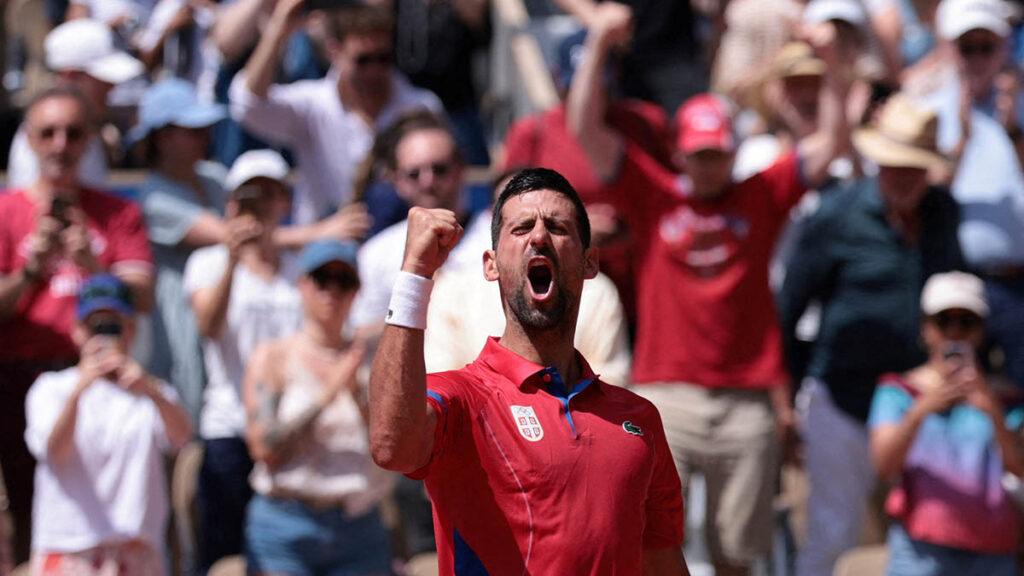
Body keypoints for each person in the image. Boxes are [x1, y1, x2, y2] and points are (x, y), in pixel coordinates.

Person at [567, 5, 850, 575]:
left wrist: (832, 65)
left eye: (717, 153)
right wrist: (598, 44)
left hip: (746, 399)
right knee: (650, 538)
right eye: (698, 155)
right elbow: (583, 130)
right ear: (681, 152)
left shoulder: (760, 195)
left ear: (731, 150)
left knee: (737, 553)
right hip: (667, 393)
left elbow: (832, 142)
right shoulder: (655, 195)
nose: (708, 166)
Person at [369, 168, 688, 574]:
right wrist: (414, 274)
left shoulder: (639, 419)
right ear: (491, 265)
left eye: (557, 227)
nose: (539, 237)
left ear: (590, 262)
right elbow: (390, 445)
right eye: (521, 228)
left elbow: (662, 561)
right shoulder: (463, 399)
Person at [778, 95, 965, 576]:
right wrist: (788, 398)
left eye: (915, 167)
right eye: (895, 165)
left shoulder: (943, 213)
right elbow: (789, 306)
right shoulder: (835, 215)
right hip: (844, 399)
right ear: (878, 161)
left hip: (918, 404)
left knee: (924, 539)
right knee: (832, 537)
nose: (904, 176)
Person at [0, 87, 154, 567]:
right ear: (29, 139)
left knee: (103, 512)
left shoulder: (116, 213)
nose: (60, 144)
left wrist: (91, 264)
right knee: (25, 511)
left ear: (89, 140)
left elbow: (142, 299)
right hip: (17, 378)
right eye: (48, 132)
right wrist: (31, 268)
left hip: (98, 376)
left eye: (72, 132)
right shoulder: (6, 211)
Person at [183, 150, 304, 573]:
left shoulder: (301, 270)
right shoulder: (207, 264)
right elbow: (208, 326)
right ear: (230, 204)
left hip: (289, 431)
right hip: (229, 427)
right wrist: (233, 260)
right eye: (247, 196)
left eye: (269, 194)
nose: (258, 206)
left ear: (284, 203)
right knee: (224, 556)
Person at [24, 274, 191, 576]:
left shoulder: (151, 391)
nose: (102, 335)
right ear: (76, 331)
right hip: (67, 548)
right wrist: (80, 390)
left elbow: (183, 440)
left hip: (137, 550)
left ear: (131, 329)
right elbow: (55, 451)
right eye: (93, 326)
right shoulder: (50, 388)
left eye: (113, 325)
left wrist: (150, 390)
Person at [242, 240, 393, 576]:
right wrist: (327, 393)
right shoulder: (274, 357)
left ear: (357, 290)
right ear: (303, 284)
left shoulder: (371, 358)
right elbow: (264, 448)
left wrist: (358, 396)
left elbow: (390, 449)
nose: (332, 291)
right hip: (285, 525)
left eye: (344, 281)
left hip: (358, 525)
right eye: (323, 278)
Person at [229, 0, 443, 225]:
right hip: (325, 249)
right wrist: (278, 30)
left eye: (383, 58)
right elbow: (247, 105)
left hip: (399, 243)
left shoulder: (421, 106)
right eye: (363, 60)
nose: (374, 70)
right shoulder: (313, 105)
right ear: (334, 51)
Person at [868, 272, 1023, 576]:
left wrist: (992, 410)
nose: (955, 332)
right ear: (926, 328)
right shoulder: (898, 392)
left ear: (981, 329)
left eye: (966, 321)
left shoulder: (1005, 397)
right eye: (943, 321)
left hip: (993, 553)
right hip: (920, 551)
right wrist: (920, 411)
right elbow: (883, 466)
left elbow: (1019, 468)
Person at [918, 0, 1024, 391]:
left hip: (1018, 286)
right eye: (968, 47)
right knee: (955, 398)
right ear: (949, 49)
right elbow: (922, 201)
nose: (977, 58)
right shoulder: (927, 114)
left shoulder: (1020, 111)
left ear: (1004, 47)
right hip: (957, 289)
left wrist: (1013, 132)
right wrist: (959, 145)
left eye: (987, 47)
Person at [349, 110, 479, 340]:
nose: (428, 181)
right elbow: (361, 337)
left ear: (460, 169)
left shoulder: (497, 239)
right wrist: (417, 302)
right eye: (413, 173)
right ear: (397, 181)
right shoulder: (376, 254)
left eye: (439, 169)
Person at [6, 18, 145, 189]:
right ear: (70, 76)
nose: (112, 87)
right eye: (102, 78)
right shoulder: (39, 143)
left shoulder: (90, 131)